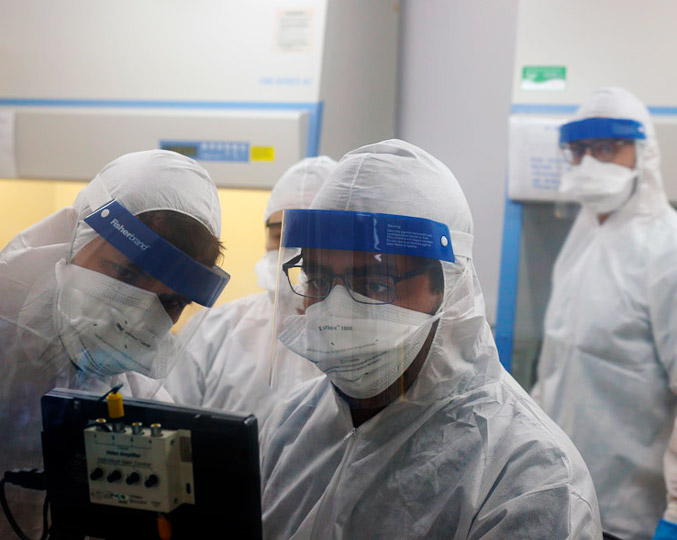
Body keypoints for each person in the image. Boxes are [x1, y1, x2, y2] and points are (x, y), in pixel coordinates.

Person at [260, 139, 602, 539]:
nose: (336, 311)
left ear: (449, 287)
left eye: (373, 283)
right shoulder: (292, 423)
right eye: (317, 279)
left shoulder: (527, 474)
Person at [0, 149, 229, 540]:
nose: (137, 316)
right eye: (124, 273)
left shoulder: (148, 408)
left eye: (170, 302)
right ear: (77, 239)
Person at [531, 87, 677, 540]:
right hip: (557, 492)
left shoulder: (667, 249)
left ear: (645, 154)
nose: (590, 162)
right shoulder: (582, 237)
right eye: (579, 150)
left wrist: (673, 511)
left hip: (631, 514)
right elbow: (557, 367)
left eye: (608, 148)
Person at [164, 156, 336, 426]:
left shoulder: (363, 340)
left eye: (314, 237)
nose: (296, 251)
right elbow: (170, 426)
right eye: (281, 236)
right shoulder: (213, 332)